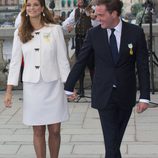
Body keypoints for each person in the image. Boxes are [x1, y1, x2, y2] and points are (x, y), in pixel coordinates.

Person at [64, 0, 150, 157]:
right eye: (96, 14)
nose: (97, 18)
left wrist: (144, 97)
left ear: (114, 14)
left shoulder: (135, 33)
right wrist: (68, 87)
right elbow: (81, 61)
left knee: (114, 142)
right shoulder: (93, 34)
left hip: (126, 95)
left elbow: (143, 66)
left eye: (101, 15)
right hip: (104, 95)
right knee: (111, 143)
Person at [4, 0, 70, 158]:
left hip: (54, 85)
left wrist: (69, 86)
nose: (32, 8)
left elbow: (63, 59)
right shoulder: (20, 32)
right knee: (38, 130)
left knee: (55, 130)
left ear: (42, 8)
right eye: (29, 5)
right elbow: (14, 62)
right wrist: (9, 91)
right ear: (25, 9)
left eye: (35, 4)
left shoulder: (55, 30)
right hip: (33, 88)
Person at [62, 0, 95, 97]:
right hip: (79, 41)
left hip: (90, 42)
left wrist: (93, 17)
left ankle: (94, 88)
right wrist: (68, 26)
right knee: (79, 65)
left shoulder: (92, 10)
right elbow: (65, 24)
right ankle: (81, 89)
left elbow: (98, 24)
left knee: (92, 66)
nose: (79, 1)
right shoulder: (75, 11)